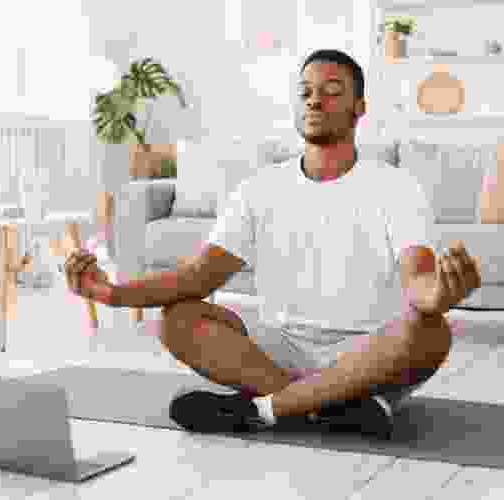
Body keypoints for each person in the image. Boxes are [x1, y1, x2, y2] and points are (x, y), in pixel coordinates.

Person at [64, 49, 482, 439]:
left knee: (430, 331)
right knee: (178, 320)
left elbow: (419, 282)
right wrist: (111, 293)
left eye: (332, 92)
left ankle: (262, 410)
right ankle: (327, 405)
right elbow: (196, 278)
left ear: (360, 108)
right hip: (281, 349)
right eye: (306, 92)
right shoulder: (258, 188)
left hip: (371, 352)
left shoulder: (396, 187)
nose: (315, 101)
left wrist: (438, 294)